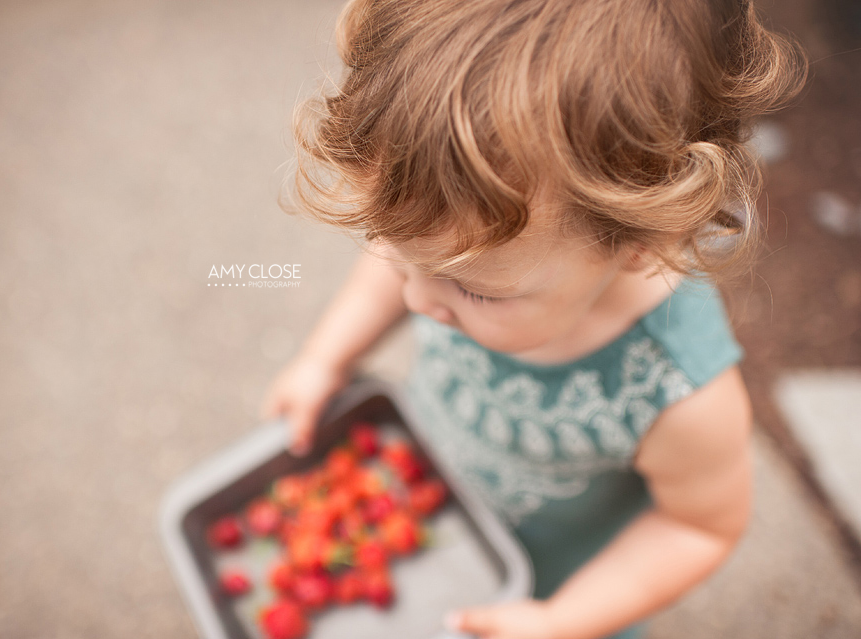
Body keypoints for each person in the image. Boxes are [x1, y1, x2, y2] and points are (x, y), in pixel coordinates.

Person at [261, 1, 806, 637]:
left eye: (474, 290)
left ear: (639, 243)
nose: (415, 301)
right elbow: (403, 267)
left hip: (557, 594)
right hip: (442, 525)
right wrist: (326, 357)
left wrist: (562, 619)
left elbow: (699, 525)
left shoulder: (678, 393)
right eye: (400, 256)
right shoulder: (465, 260)